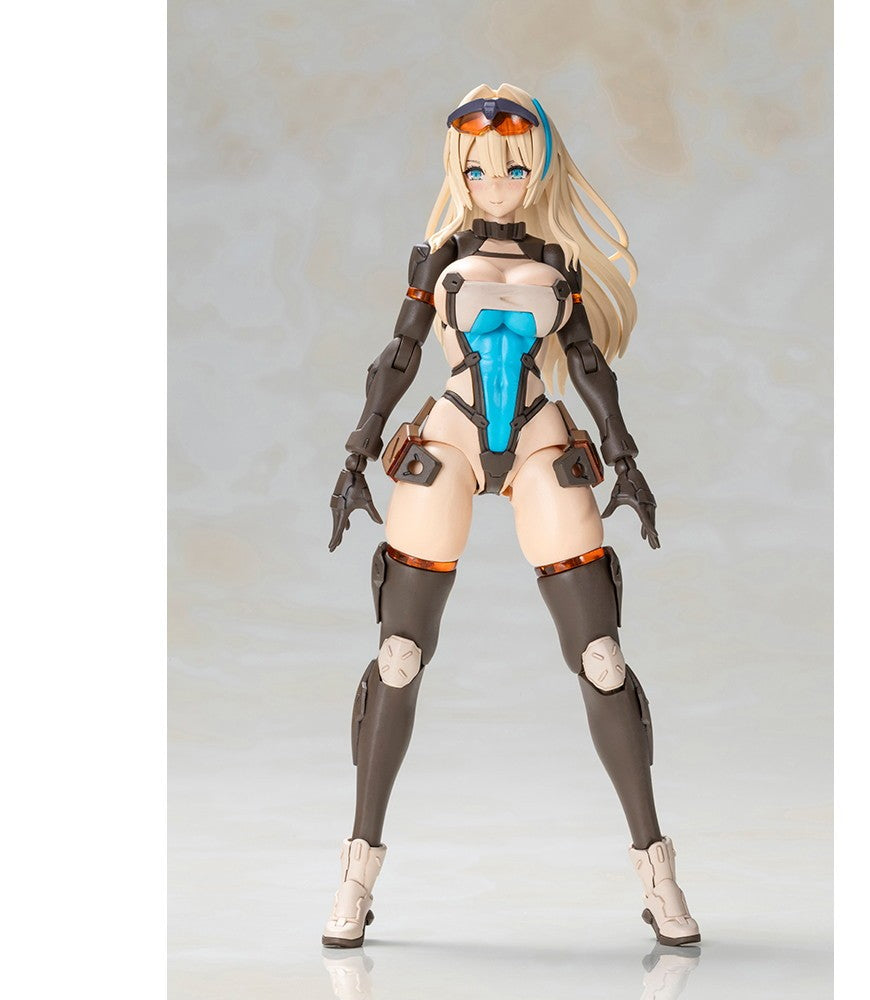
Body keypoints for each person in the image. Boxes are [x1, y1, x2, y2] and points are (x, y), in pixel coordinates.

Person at [322, 84, 700, 949]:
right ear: (458, 168)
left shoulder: (559, 260)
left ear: (540, 167)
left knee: (601, 656)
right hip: (452, 433)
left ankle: (658, 871)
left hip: (538, 435)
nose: (496, 180)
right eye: (478, 166)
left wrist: (626, 458)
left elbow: (589, 365)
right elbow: (398, 355)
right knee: (399, 655)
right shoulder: (439, 258)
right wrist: (356, 453)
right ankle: (355, 873)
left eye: (515, 165)